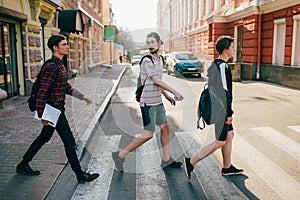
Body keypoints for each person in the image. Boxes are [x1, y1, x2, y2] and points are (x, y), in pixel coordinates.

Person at [16, 35, 99, 183]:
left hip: (58, 109)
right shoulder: (51, 66)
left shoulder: (60, 65)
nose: (67, 46)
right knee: (69, 141)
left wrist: (82, 97)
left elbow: (65, 86)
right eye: (64, 44)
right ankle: (80, 175)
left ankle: (23, 164)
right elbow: (42, 90)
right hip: (53, 110)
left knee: (44, 138)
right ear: (55, 47)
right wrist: (42, 115)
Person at [112, 32, 184, 172]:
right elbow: (156, 80)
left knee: (165, 128)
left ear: (159, 42)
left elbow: (157, 83)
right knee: (148, 134)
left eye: (152, 42)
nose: (150, 45)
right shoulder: (147, 60)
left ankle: (166, 159)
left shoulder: (160, 59)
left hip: (157, 101)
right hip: (148, 103)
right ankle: (120, 155)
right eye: (148, 43)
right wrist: (174, 92)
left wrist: (166, 96)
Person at [184, 36, 244, 179]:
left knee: (229, 135)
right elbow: (224, 92)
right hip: (221, 110)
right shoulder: (222, 66)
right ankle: (191, 161)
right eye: (232, 48)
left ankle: (227, 167)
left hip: (219, 108)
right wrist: (228, 113)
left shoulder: (216, 65)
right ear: (225, 49)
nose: (234, 50)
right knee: (220, 141)